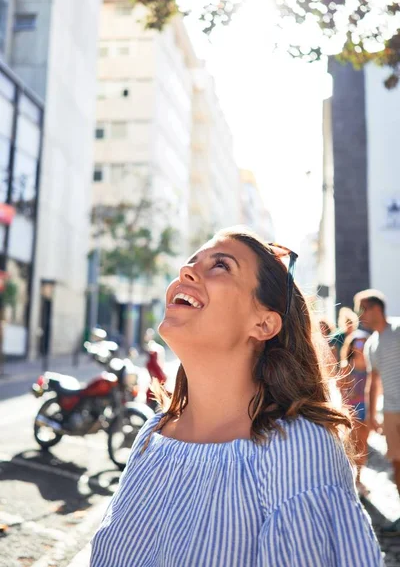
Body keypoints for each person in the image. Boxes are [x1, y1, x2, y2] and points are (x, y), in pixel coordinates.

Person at [91, 229, 382, 566]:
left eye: (221, 266)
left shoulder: (298, 448)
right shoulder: (153, 432)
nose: (185, 272)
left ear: (264, 324)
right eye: (191, 262)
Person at [355, 289, 400, 536]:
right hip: (391, 411)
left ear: (375, 309)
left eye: (362, 308)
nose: (360, 315)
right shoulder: (371, 343)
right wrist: (371, 415)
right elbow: (373, 382)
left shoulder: (399, 330)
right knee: (397, 462)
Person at [339, 330, 370, 496]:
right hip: (351, 412)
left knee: (363, 446)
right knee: (351, 447)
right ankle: (350, 480)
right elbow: (340, 391)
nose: (362, 346)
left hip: (367, 411)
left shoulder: (371, 367)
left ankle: (358, 479)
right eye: (358, 343)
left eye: (365, 342)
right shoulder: (346, 367)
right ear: (352, 346)